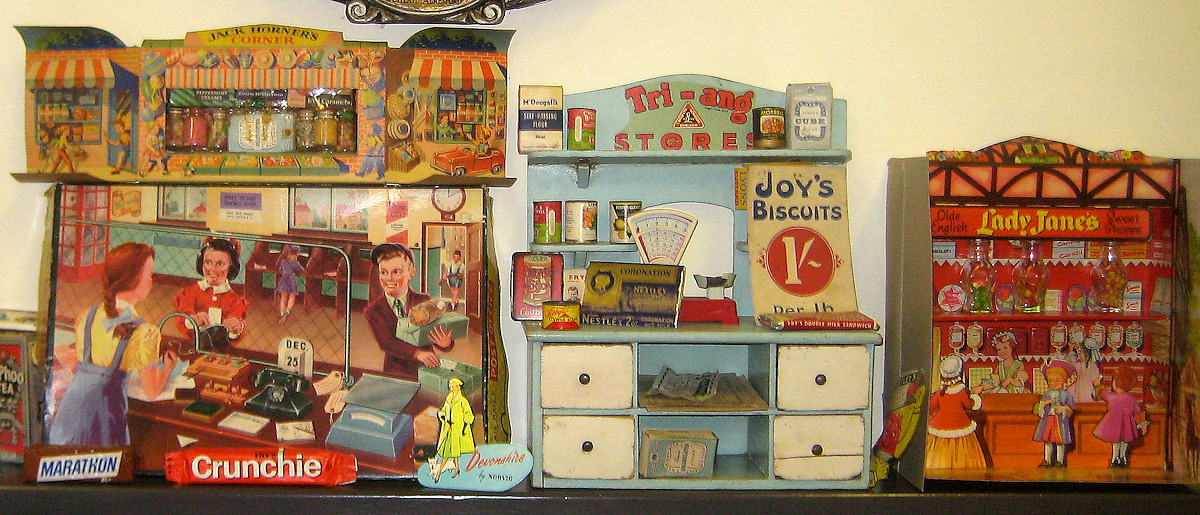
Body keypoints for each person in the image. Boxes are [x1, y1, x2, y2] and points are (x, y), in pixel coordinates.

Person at [49, 243, 160, 446]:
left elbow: (80, 363)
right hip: (106, 420)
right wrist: (167, 367)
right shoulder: (146, 331)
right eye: (150, 275)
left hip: (70, 416)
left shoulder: (86, 316)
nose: (151, 281)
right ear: (134, 279)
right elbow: (151, 392)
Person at [364, 243, 453, 377]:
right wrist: (417, 353)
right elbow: (387, 343)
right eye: (384, 272)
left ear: (411, 273)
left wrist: (445, 344)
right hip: (396, 370)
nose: (389, 278)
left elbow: (436, 332)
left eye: (397, 272)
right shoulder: (373, 311)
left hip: (427, 368)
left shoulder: (424, 301)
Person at [173, 237, 248, 345]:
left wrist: (236, 328)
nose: (213, 269)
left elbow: (235, 331)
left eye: (220, 264)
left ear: (231, 267)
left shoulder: (235, 300)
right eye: (208, 262)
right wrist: (192, 320)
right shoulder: (190, 293)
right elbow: (181, 318)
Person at [925, 355, 987, 469]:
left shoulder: (941, 391)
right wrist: (975, 397)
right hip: (959, 423)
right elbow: (969, 405)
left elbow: (931, 405)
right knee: (964, 451)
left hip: (940, 424)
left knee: (936, 452)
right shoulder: (961, 390)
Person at [1092, 368, 1149, 468]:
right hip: (1127, 424)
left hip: (1115, 423)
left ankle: (1115, 458)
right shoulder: (1131, 398)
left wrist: (1097, 385)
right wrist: (1143, 425)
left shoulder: (1112, 397)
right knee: (1125, 441)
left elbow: (1103, 394)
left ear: (1117, 382)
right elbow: (1138, 411)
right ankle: (1122, 457)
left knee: (1116, 441)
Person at [431, 377, 475, 482]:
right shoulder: (448, 400)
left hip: (458, 428)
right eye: (451, 386)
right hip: (448, 428)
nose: (452, 388)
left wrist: (465, 424)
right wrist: (443, 416)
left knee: (453, 450)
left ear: (459, 387)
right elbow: (443, 411)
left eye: (454, 386)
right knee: (448, 451)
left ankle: (440, 473)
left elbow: (469, 415)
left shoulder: (463, 401)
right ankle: (454, 469)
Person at [1034, 361, 1077, 467]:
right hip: (1048, 420)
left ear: (1063, 380)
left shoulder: (1066, 395)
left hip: (1060, 422)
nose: (1053, 383)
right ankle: (1047, 460)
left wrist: (1063, 409)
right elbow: (1039, 408)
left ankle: (1060, 461)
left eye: (1056, 380)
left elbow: (1071, 409)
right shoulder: (1047, 394)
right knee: (1048, 440)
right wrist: (1044, 404)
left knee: (1059, 441)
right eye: (1050, 381)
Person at [274, 245, 306, 323]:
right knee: (292, 296)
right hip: (291, 280)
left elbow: (280, 269)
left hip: (283, 279)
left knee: (283, 297)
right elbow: (302, 270)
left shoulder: (283, 261)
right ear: (297, 254)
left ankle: (281, 314)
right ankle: (287, 312)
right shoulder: (296, 263)